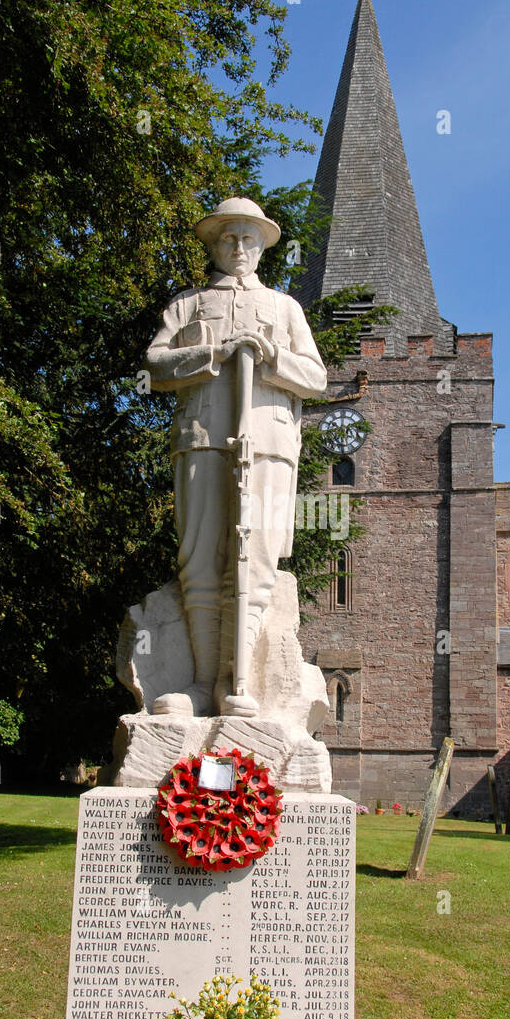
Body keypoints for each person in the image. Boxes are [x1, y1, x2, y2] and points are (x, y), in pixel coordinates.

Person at [145, 198, 327, 717]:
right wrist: (215, 353)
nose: (239, 248)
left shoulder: (285, 308)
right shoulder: (188, 304)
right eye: (228, 238)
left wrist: (272, 356)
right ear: (213, 244)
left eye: (249, 238)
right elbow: (156, 364)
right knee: (200, 556)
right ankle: (201, 684)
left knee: (259, 559)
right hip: (202, 436)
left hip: (267, 442)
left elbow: (316, 378)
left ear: (262, 246)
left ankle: (239, 683)